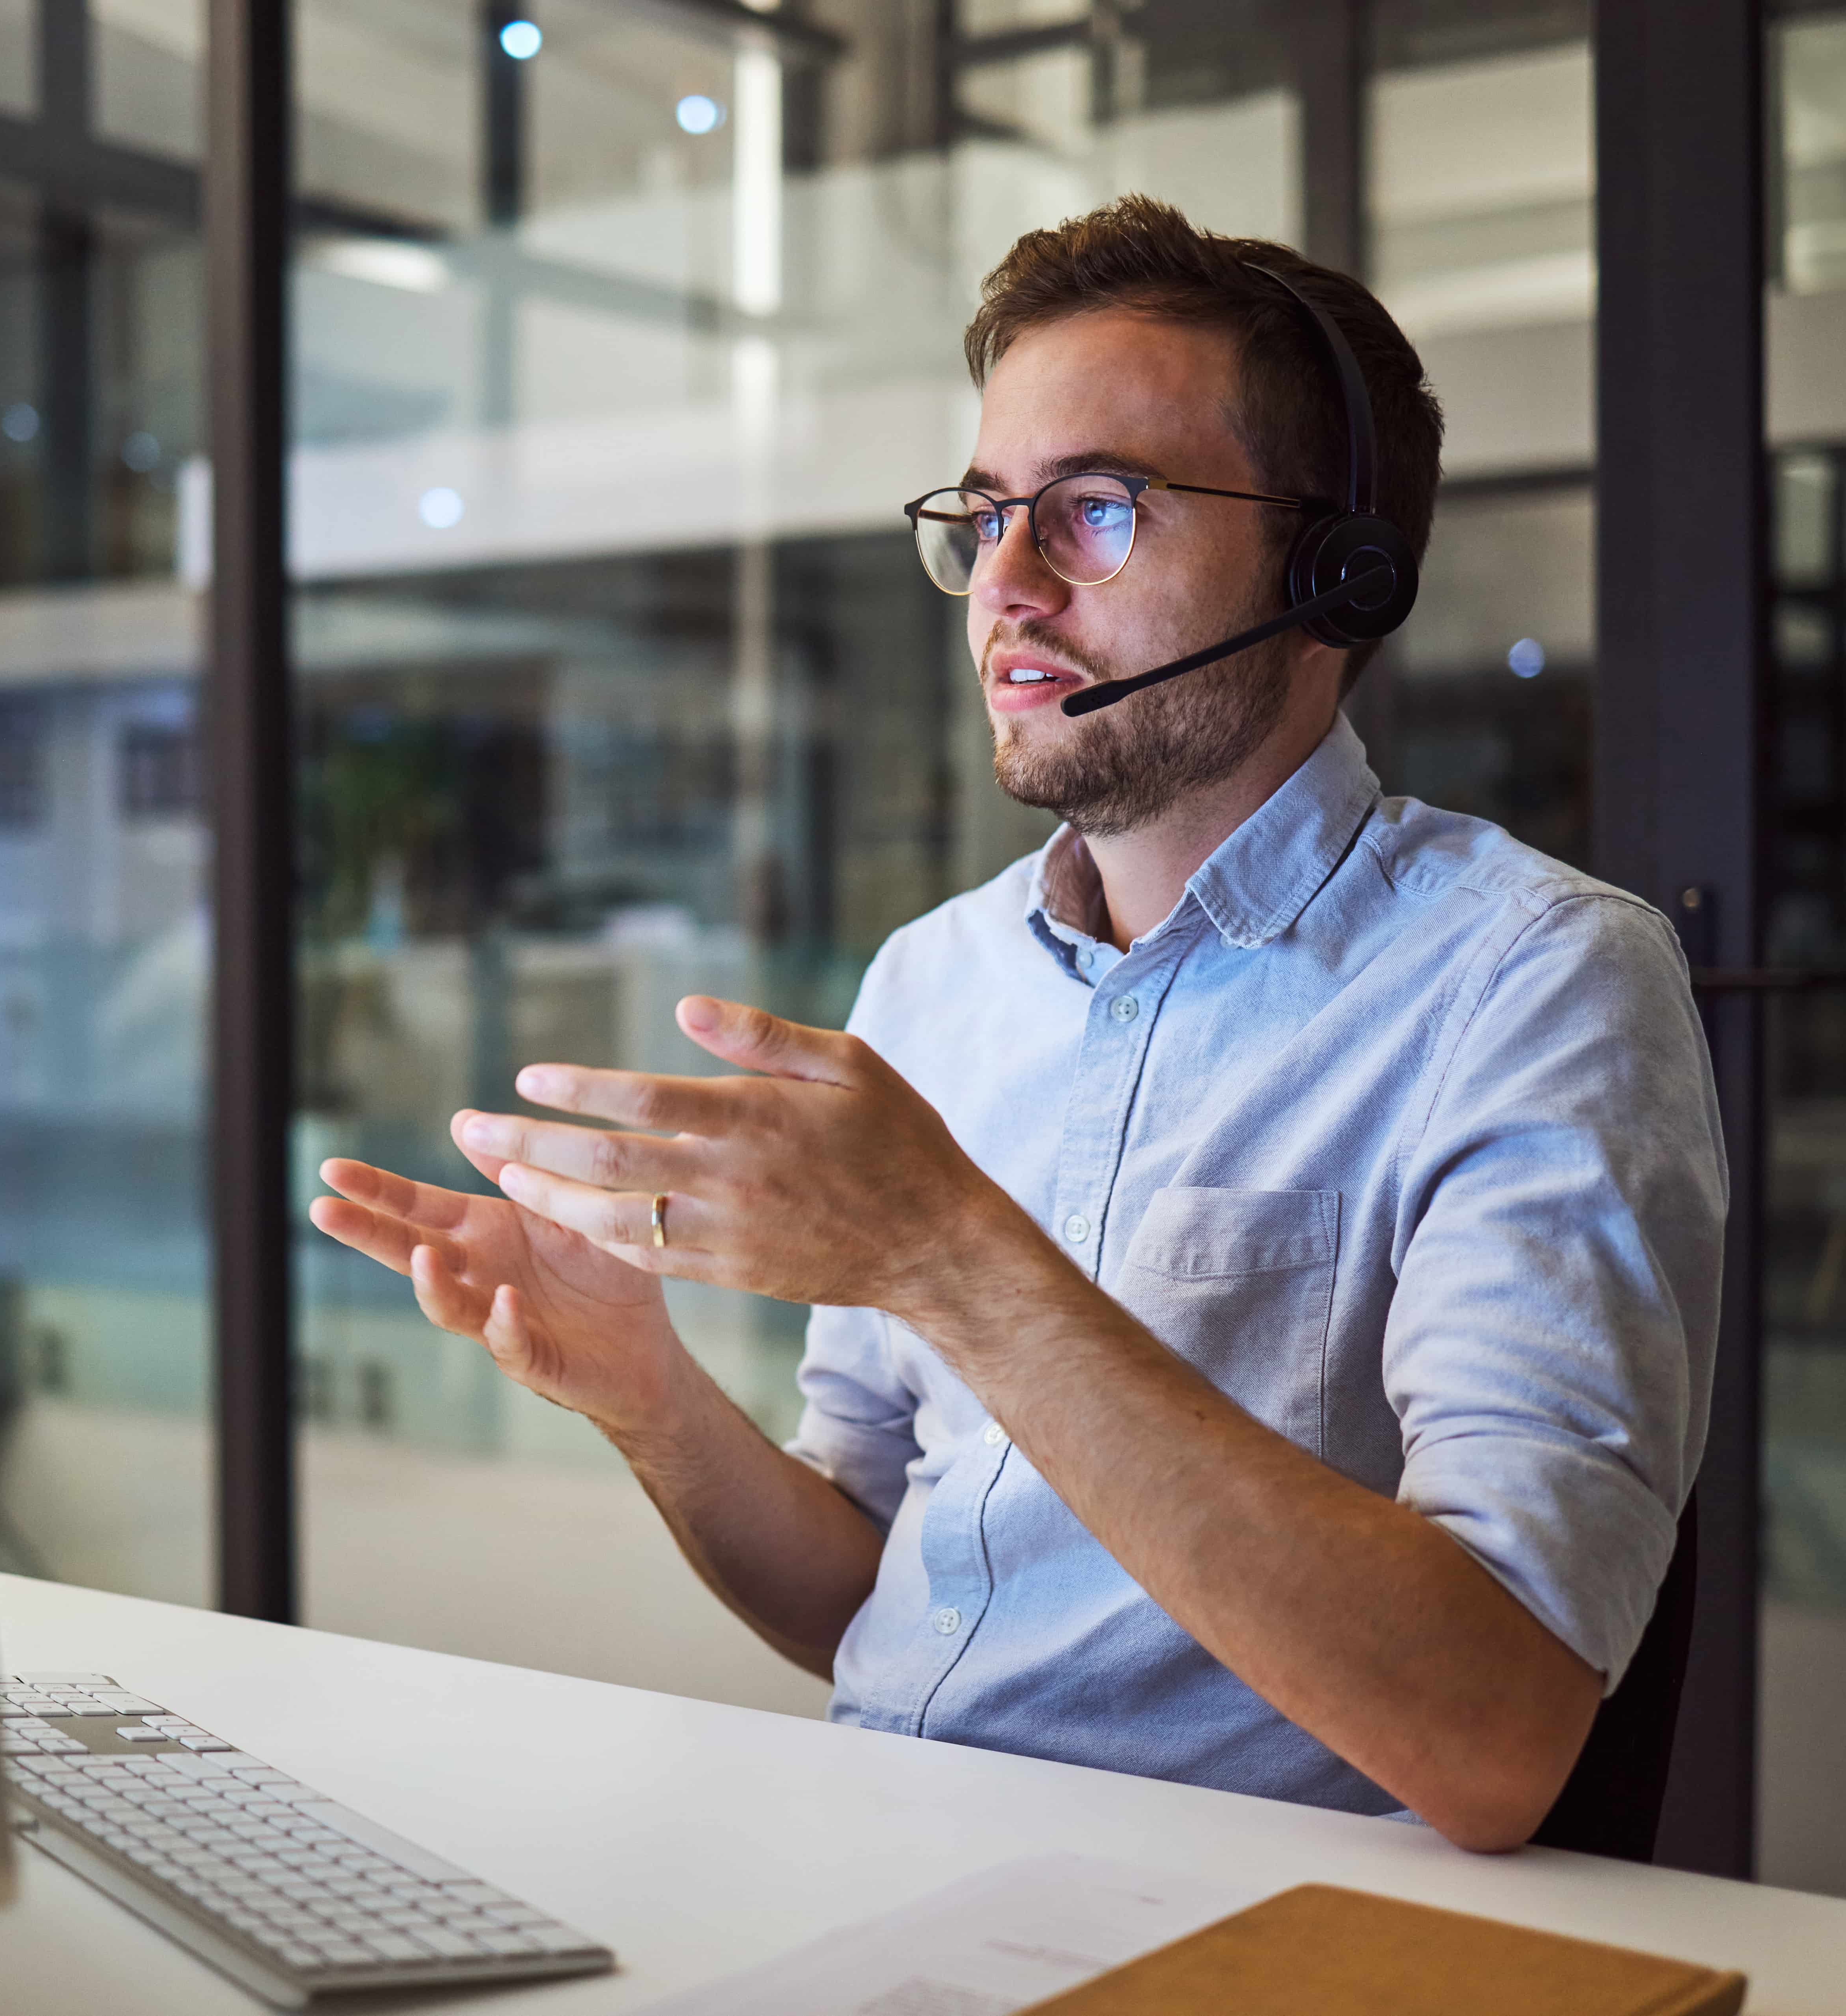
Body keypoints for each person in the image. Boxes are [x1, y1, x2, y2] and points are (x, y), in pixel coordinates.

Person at [310, 197, 1725, 1854]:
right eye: (983, 520)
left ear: (1335, 575)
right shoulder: (932, 982)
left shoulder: (1537, 983)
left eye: (1097, 512)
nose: (1007, 587)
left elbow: (1498, 1732)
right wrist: (649, 1395)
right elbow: (871, 1607)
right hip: (895, 1858)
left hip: (1237, 1933)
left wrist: (955, 1260)